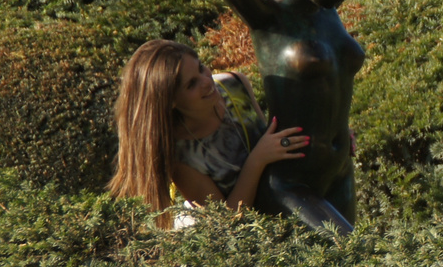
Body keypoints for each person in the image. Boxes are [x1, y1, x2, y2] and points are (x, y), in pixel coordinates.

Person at [212, 0, 372, 234]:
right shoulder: (270, 18)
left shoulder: (327, 10)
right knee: (355, 255)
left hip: (339, 172)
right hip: (291, 180)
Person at [109, 40, 308, 228]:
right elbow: (226, 223)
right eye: (191, 84)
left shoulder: (235, 85)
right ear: (170, 101)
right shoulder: (181, 158)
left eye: (201, 67)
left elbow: (269, 136)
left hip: (287, 201)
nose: (206, 80)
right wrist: (257, 161)